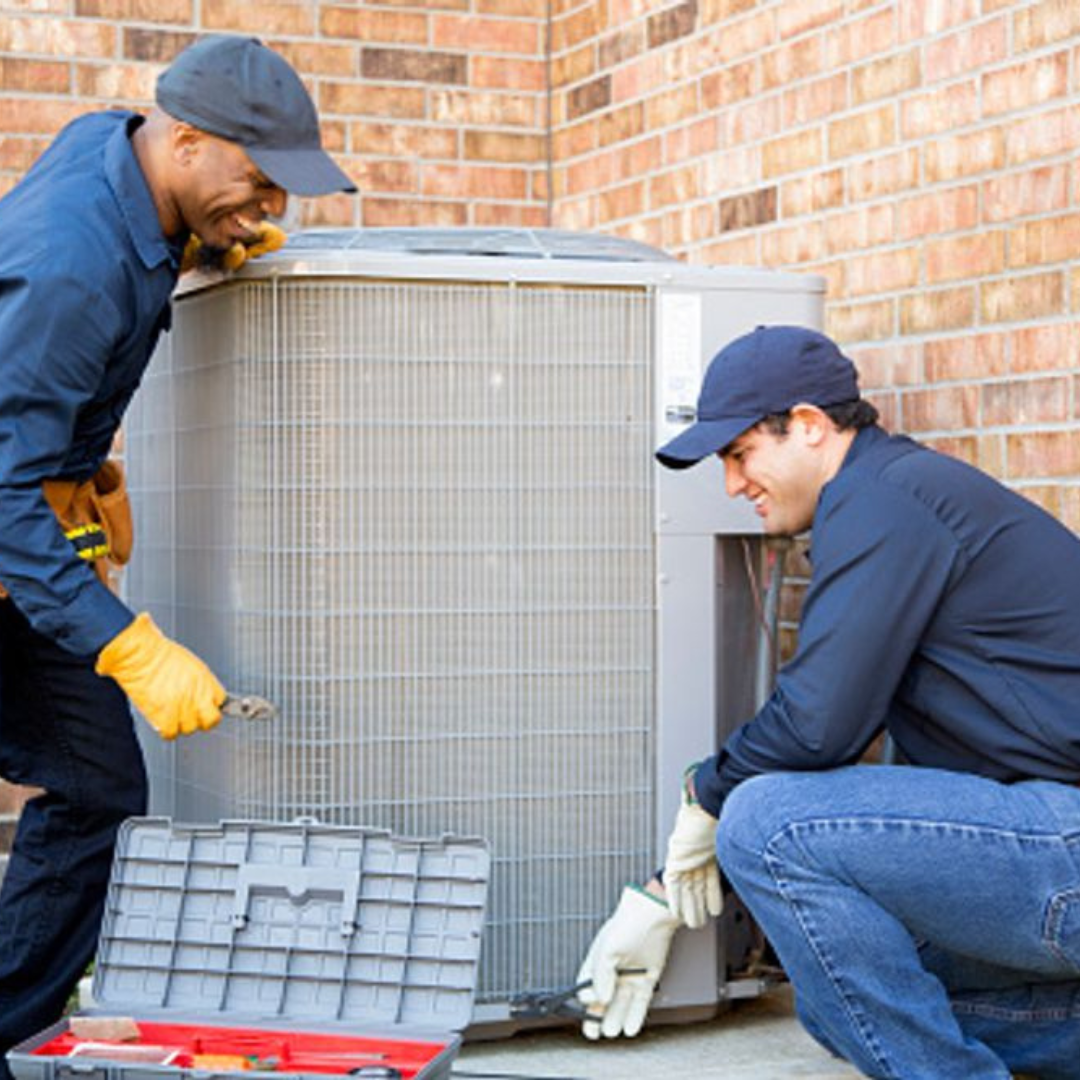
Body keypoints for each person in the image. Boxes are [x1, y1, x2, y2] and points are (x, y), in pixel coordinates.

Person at [575, 325, 1080, 1079]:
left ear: (808, 425)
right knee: (840, 999)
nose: (732, 484)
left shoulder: (882, 501)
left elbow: (817, 727)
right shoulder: (898, 497)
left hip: (1064, 847)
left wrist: (702, 800)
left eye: (740, 454)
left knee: (765, 823)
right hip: (1047, 847)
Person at [0, 34, 354, 1059]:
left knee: (98, 787)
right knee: (95, 780)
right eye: (259, 183)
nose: (273, 210)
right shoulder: (75, 260)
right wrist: (128, 644)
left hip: (23, 533)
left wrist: (209, 239)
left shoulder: (116, 159)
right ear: (188, 140)